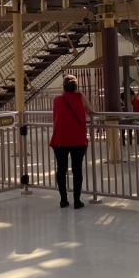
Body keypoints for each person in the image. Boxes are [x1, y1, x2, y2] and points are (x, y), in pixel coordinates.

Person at [50, 75, 93, 209]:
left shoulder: (57, 99)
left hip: (60, 139)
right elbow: (90, 110)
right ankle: (77, 200)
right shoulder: (80, 96)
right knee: (77, 170)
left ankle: (63, 200)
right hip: (77, 139)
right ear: (75, 87)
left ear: (63, 87)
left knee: (61, 170)